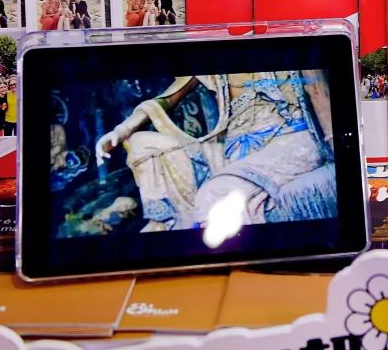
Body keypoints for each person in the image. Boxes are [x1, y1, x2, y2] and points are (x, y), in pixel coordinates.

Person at [94, 72, 333, 232]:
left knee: (214, 193)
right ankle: (165, 223)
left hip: (288, 141)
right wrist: (121, 130)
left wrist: (334, 142)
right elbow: (164, 100)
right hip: (233, 151)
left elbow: (319, 92)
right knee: (143, 144)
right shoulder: (213, 59)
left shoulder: (286, 45)